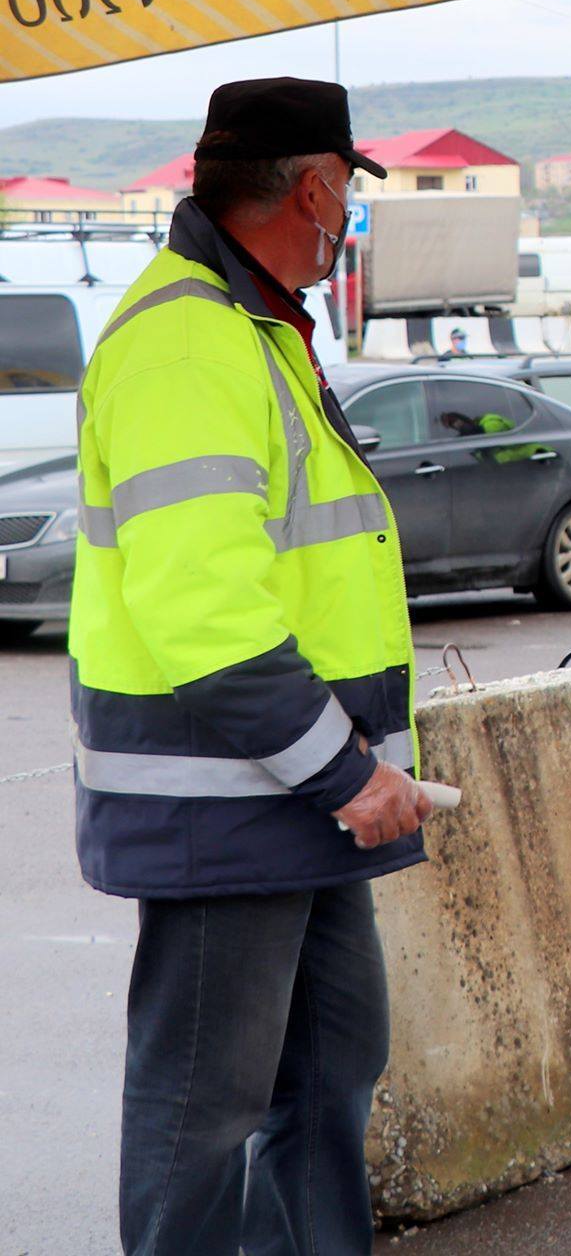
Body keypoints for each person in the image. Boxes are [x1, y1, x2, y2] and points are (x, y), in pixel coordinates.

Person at [71, 77, 436, 1256]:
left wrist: (341, 773)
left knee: (331, 1069)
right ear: (315, 188)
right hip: (231, 802)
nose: (348, 222)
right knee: (203, 1110)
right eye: (347, 195)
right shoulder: (186, 344)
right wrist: (345, 772)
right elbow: (204, 609)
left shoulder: (252, 326)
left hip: (288, 797)